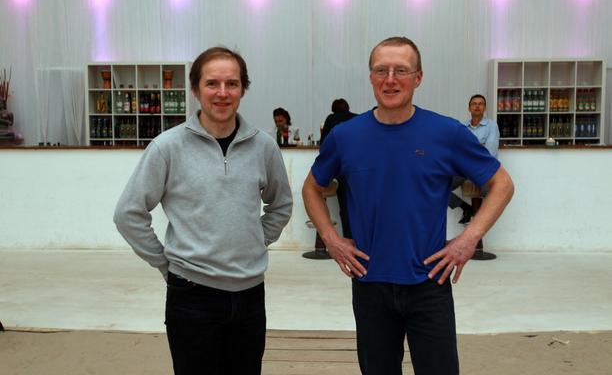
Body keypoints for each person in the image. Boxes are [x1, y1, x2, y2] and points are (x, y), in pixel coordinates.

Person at [302, 36, 514, 375]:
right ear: (371, 77)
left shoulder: (446, 133)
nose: (390, 80)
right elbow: (312, 187)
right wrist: (331, 238)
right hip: (369, 282)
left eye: (401, 70)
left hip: (429, 281)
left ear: (418, 78)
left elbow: (502, 184)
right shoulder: (346, 136)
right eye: (381, 70)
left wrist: (469, 238)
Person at [114, 46, 293, 375]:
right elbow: (128, 213)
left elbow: (281, 204)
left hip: (250, 295)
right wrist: (165, 263)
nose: (222, 93)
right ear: (196, 90)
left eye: (232, 83)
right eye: (212, 83)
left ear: (242, 89)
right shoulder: (168, 147)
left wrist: (256, 240)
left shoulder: (264, 147)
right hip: (191, 297)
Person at [448, 94, 500, 224]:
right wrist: (478, 147)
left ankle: (477, 229)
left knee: (480, 192)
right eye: (474, 104)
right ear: (469, 108)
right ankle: (464, 207)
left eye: (480, 104)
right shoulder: (462, 126)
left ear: (485, 108)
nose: (477, 106)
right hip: (464, 169)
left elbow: (490, 153)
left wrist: (469, 150)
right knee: (440, 186)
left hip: (483, 169)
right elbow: (457, 150)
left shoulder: (491, 126)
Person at [320, 98, 357, 239]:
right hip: (358, 169)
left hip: (341, 168)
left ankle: (348, 238)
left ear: (333, 110)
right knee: (360, 204)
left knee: (345, 206)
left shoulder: (331, 119)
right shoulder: (358, 118)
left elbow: (324, 144)